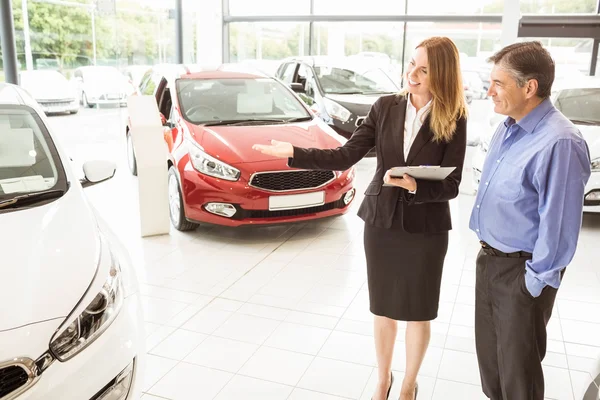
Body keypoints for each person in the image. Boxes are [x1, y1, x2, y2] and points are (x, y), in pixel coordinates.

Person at [253, 37, 468, 400]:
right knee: (383, 308)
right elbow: (344, 155)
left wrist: (416, 185)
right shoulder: (385, 106)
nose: (411, 74)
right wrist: (293, 153)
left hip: (426, 229)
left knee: (419, 312)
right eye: (411, 64)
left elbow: (453, 183)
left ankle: (408, 385)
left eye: (424, 69)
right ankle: (383, 380)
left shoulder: (454, 117)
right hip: (381, 223)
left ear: (442, 75)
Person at [469, 41, 592, 400]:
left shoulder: (561, 142)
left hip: (521, 275)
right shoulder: (507, 127)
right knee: (493, 372)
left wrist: (531, 286)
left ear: (529, 87)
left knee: (518, 381)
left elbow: (559, 227)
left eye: (498, 83)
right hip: (489, 264)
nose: (489, 91)